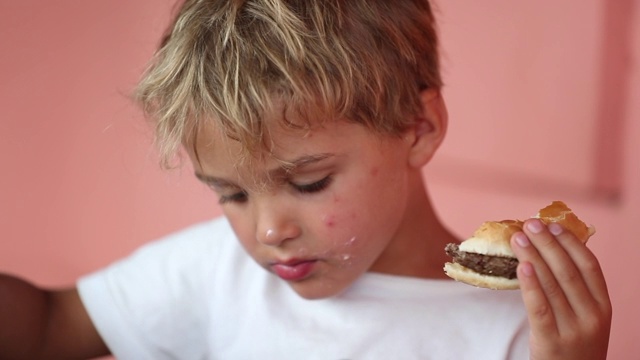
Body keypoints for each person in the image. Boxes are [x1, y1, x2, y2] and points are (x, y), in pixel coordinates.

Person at [0, 0, 612, 359]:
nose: (267, 230)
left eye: (310, 183)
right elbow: (52, 326)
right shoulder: (218, 274)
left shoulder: (518, 335)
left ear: (419, 126)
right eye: (231, 194)